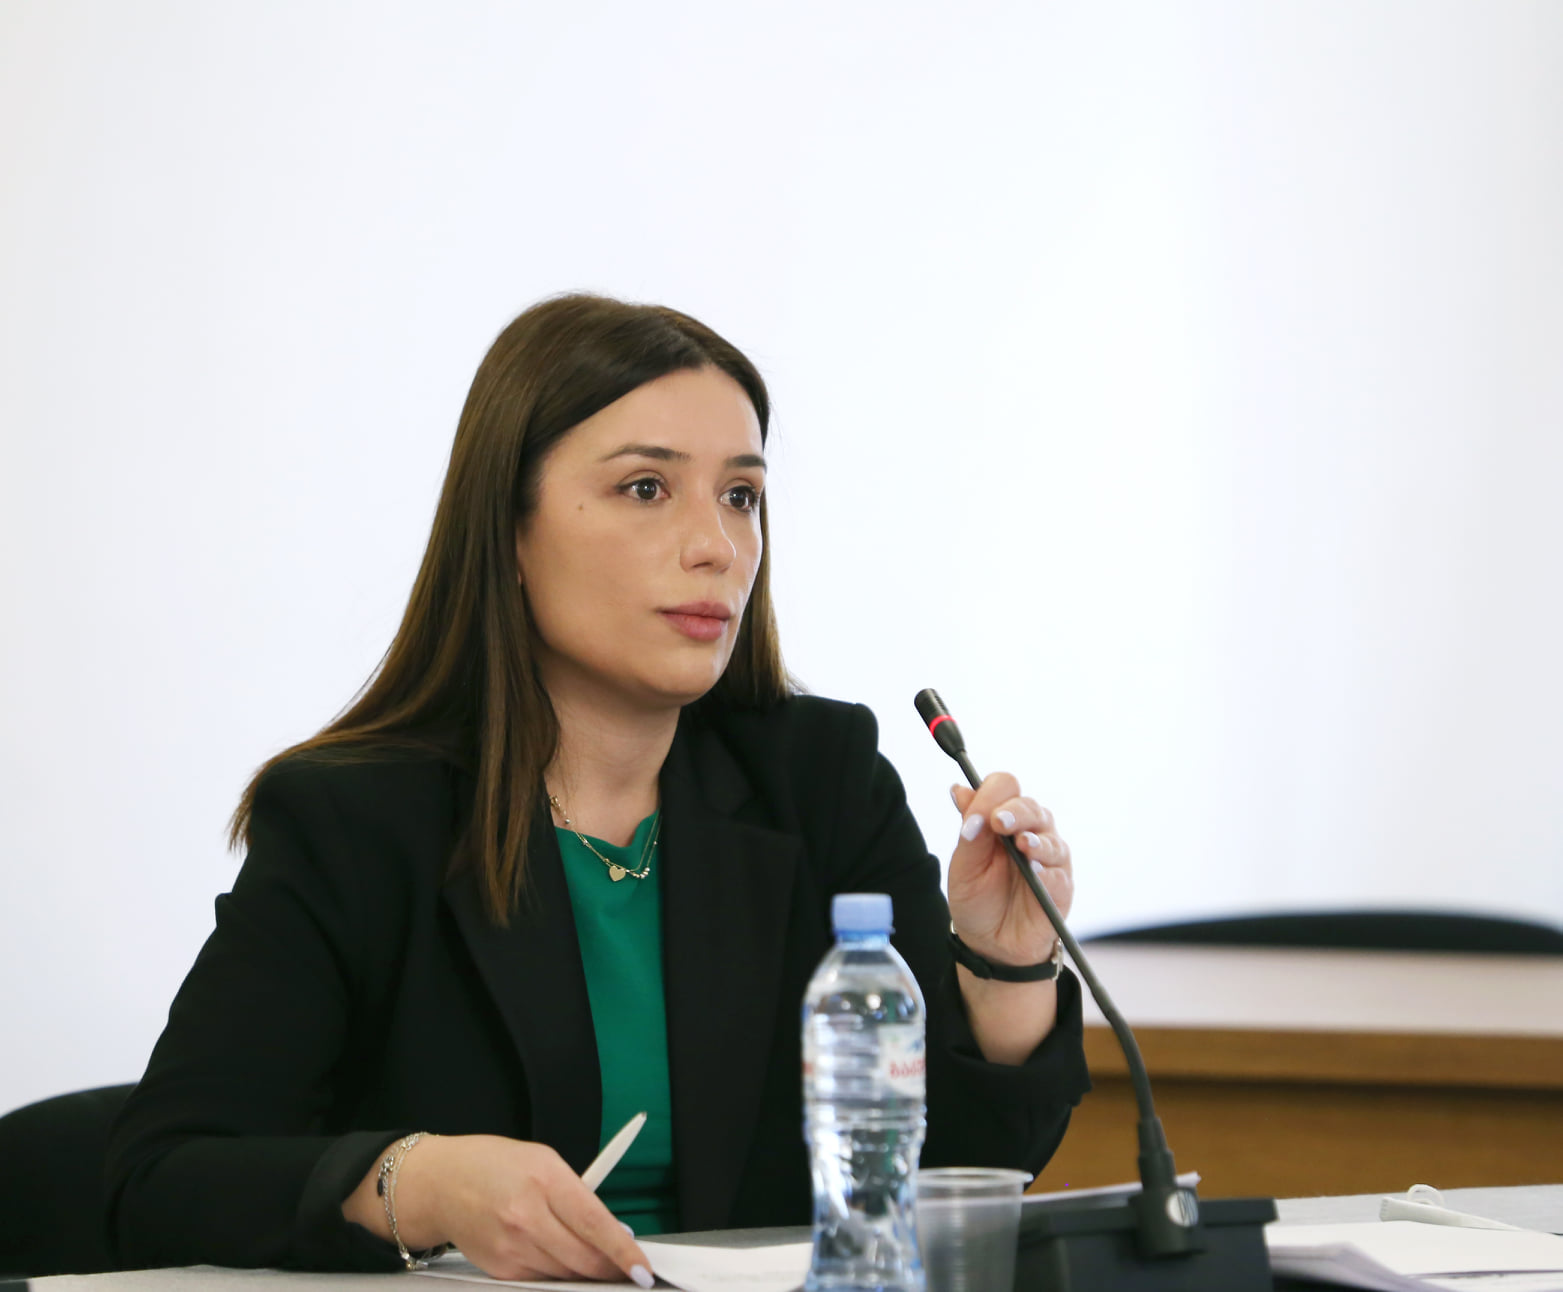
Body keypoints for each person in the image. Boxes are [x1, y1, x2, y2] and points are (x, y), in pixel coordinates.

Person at [103, 294, 1090, 1283]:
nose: (716, 544)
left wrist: (1004, 967)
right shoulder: (354, 819)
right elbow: (162, 1181)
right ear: (510, 529)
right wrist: (421, 1180)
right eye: (646, 488)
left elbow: (946, 1179)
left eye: (740, 495)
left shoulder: (819, 780)